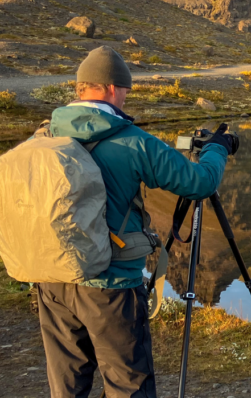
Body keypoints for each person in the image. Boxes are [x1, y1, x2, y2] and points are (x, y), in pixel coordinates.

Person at [36, 46, 238, 398]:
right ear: (113, 88)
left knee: (67, 385)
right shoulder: (132, 142)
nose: (127, 97)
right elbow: (200, 182)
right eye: (126, 89)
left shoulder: (45, 135)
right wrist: (217, 149)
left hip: (52, 278)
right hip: (111, 285)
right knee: (129, 385)